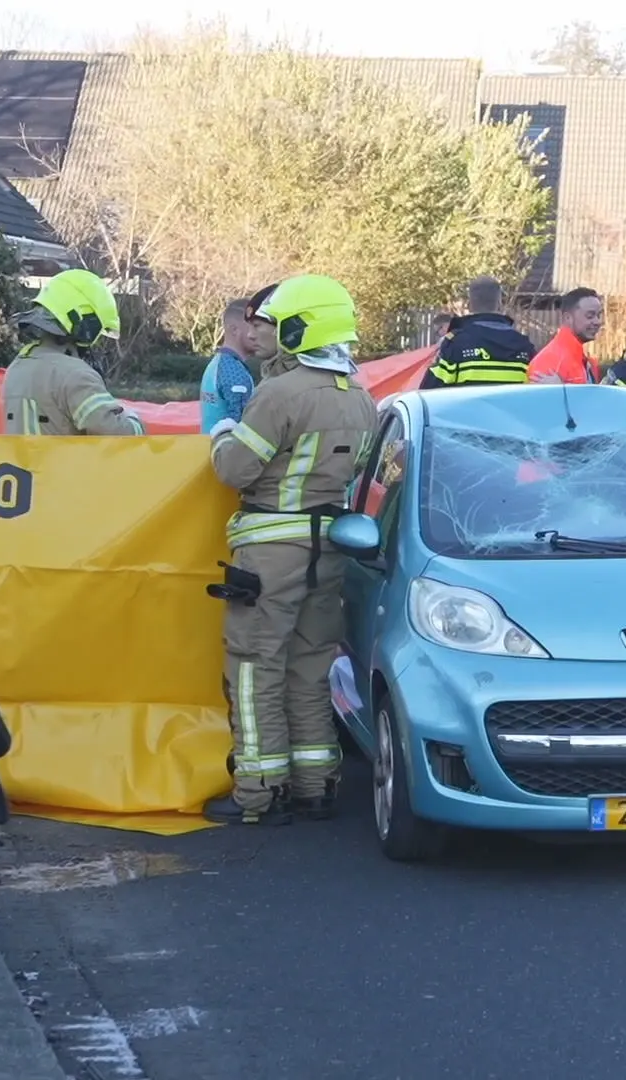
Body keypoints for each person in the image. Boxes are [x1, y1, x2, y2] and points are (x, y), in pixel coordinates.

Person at [205, 274, 379, 825]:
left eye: (279, 324)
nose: (270, 333)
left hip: (269, 552)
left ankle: (258, 792)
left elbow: (235, 468)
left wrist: (221, 433)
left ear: (302, 328)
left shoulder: (279, 393)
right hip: (328, 551)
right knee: (310, 668)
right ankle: (315, 785)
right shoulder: (363, 399)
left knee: (256, 668)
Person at [1, 268, 146, 435]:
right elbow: (117, 432)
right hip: (62, 462)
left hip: (22, 461)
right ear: (87, 323)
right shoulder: (75, 374)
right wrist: (133, 420)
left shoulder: (17, 367)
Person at [420, 276, 536, 389]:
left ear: (469, 305)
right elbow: (538, 391)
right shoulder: (524, 347)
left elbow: (430, 392)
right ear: (500, 304)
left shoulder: (455, 344)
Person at [198, 296, 258, 434]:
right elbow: (241, 429)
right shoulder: (234, 372)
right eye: (253, 326)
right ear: (234, 329)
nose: (257, 334)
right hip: (225, 452)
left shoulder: (217, 364)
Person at [527, 286, 605, 384]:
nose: (598, 322)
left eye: (599, 315)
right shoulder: (551, 360)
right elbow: (538, 399)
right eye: (590, 316)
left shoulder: (582, 360)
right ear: (568, 318)